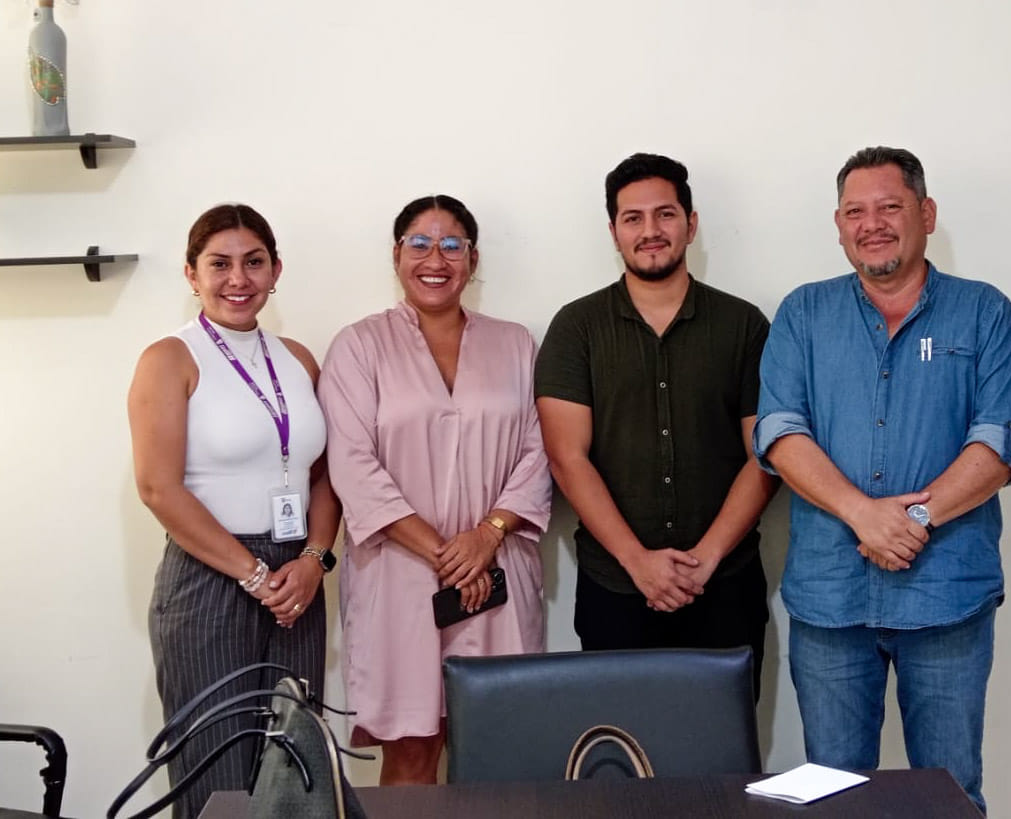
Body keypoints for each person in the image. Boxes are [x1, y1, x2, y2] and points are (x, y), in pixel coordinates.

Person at [754, 146, 1011, 813]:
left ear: (926, 214)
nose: (871, 224)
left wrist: (912, 520)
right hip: (830, 598)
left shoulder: (984, 312)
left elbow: (998, 443)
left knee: (950, 792)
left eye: (889, 207)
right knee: (831, 796)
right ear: (838, 225)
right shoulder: (803, 314)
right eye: (855, 211)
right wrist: (863, 514)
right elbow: (780, 433)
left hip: (946, 597)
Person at [317, 195, 551, 785]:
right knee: (412, 751)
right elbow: (352, 464)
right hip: (399, 574)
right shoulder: (359, 346)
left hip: (496, 571)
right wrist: (451, 555)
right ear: (397, 254)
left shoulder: (516, 344)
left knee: (502, 749)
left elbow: (540, 448)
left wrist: (486, 537)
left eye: (452, 245)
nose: (435, 259)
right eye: (419, 244)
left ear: (473, 258)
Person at [535, 153, 778, 695]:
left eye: (665, 214)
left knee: (725, 741)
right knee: (621, 742)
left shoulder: (743, 325)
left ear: (691, 223)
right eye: (633, 218)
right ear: (614, 231)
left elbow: (765, 453)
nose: (650, 231)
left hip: (726, 584)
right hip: (614, 587)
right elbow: (567, 458)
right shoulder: (576, 328)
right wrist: (638, 562)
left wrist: (705, 558)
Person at [128, 203, 340, 819]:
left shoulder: (297, 358)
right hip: (210, 579)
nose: (238, 279)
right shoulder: (171, 358)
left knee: (295, 766)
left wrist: (314, 559)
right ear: (191, 274)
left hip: (296, 581)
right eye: (219, 264)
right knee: (216, 773)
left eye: (254, 262)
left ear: (276, 270)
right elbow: (159, 489)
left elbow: (324, 473)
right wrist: (252, 573)